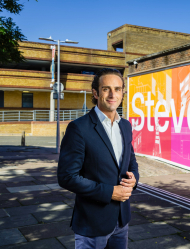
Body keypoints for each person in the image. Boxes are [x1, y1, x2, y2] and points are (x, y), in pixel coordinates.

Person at [57, 68, 139, 249]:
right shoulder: (78, 128)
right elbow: (67, 177)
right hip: (92, 222)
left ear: (123, 93)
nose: (112, 94)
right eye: (106, 89)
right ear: (95, 92)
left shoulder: (125, 126)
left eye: (118, 89)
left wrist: (133, 179)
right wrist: (110, 192)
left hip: (121, 219)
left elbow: (131, 161)